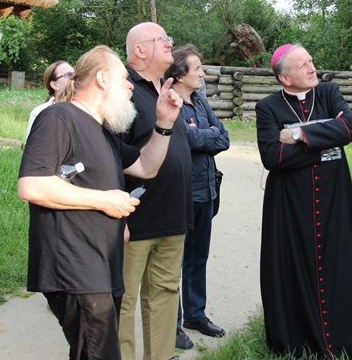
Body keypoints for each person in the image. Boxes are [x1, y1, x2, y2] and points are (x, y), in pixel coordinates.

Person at [18, 45, 183, 360]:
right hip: (75, 268)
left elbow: (146, 166)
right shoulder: (59, 117)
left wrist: (164, 123)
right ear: (102, 79)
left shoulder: (101, 131)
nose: (131, 85)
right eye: (124, 78)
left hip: (101, 265)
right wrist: (105, 200)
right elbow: (32, 185)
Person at [255, 44, 352, 359]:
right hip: (288, 206)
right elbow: (272, 157)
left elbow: (348, 129)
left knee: (337, 266)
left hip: (334, 200)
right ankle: (296, 341)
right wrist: (325, 145)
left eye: (311, 61)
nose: (312, 67)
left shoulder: (329, 92)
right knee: (291, 268)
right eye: (303, 65)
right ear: (285, 78)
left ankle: (340, 339)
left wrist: (297, 135)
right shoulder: (267, 107)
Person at [118, 22, 193, 360]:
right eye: (161, 39)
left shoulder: (165, 88)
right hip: (134, 220)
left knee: (164, 293)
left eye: (168, 37)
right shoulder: (123, 90)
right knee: (123, 299)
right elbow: (109, 156)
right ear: (139, 50)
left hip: (172, 214)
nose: (169, 43)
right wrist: (117, 217)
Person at [163, 45, 230, 349]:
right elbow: (184, 139)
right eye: (198, 68)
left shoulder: (201, 100)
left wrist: (202, 135)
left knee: (198, 257)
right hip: (182, 194)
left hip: (207, 191)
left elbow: (224, 138)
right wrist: (206, 135)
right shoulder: (170, 101)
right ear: (179, 75)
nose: (203, 73)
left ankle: (195, 314)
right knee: (174, 262)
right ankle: (172, 325)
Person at [24, 60, 74, 141]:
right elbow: (33, 146)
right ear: (54, 85)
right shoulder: (39, 113)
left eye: (76, 74)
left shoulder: (87, 108)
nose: (75, 78)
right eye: (69, 75)